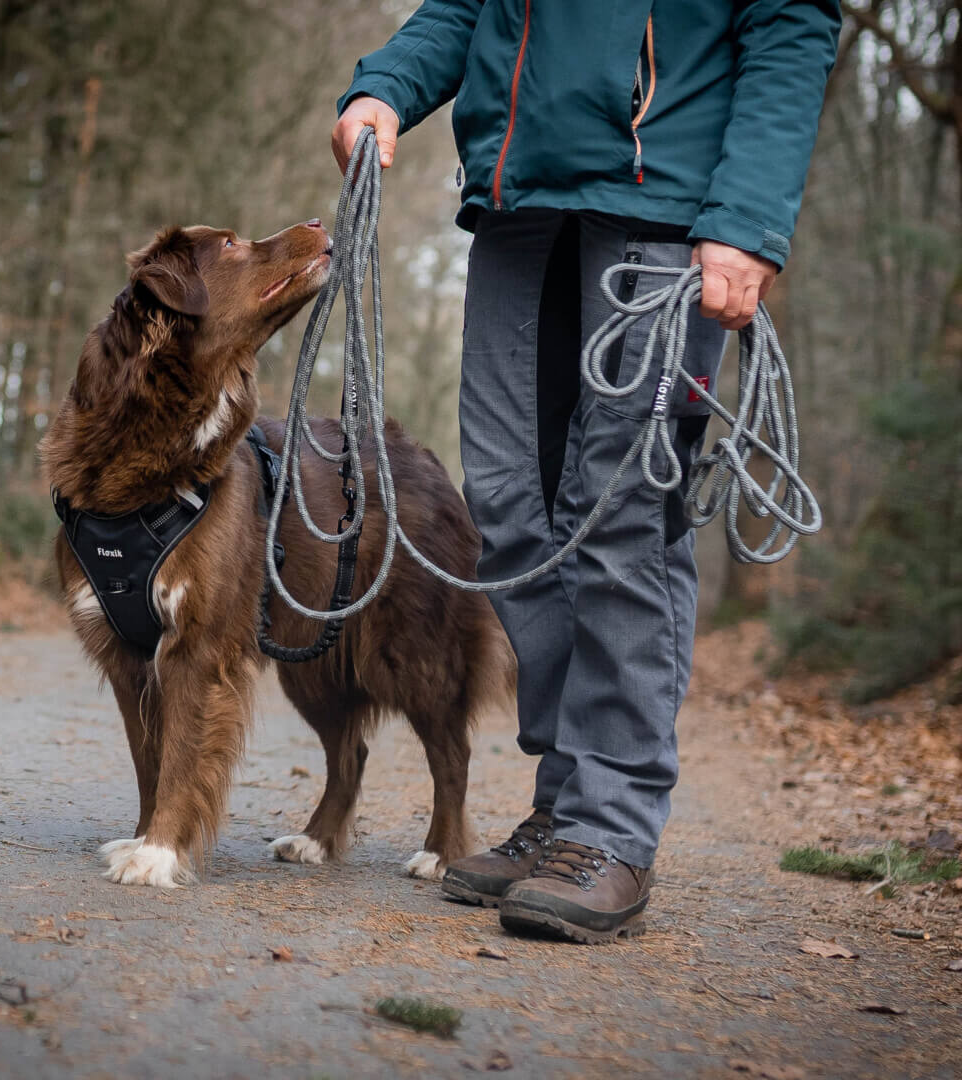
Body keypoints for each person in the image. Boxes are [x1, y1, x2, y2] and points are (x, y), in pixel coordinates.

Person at [332, 0, 840, 943]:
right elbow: (463, 10)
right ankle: (566, 803)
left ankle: (612, 827)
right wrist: (387, 88)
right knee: (513, 509)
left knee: (620, 519)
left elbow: (790, 23)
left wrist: (747, 221)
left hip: (664, 215)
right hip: (516, 211)